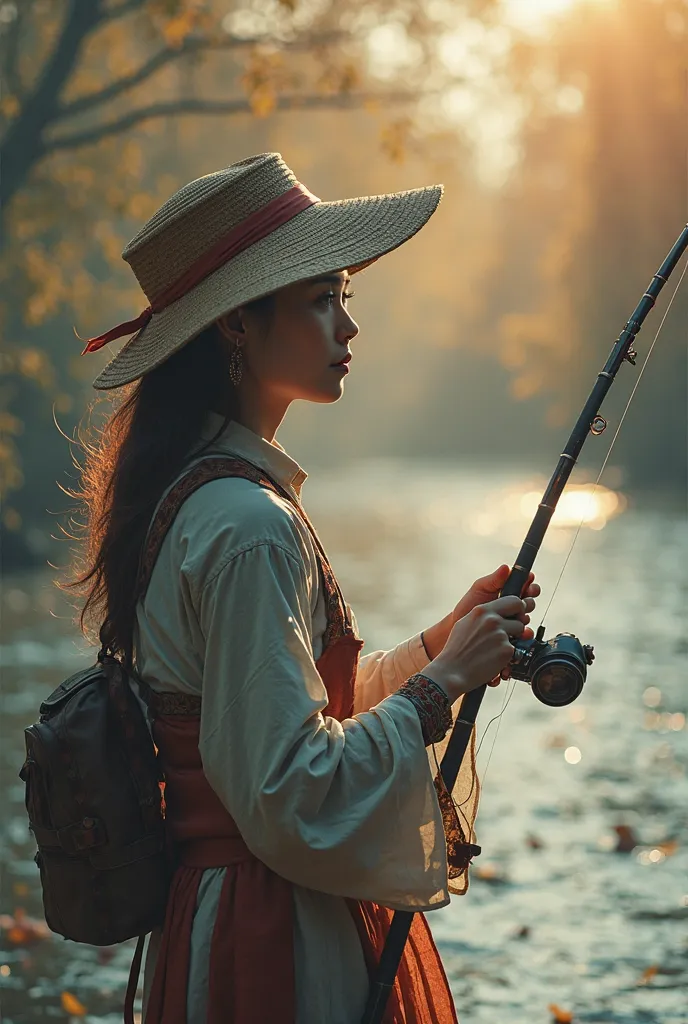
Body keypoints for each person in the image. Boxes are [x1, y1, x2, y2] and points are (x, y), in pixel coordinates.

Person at [70, 153, 539, 1023]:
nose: (348, 328)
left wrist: (443, 645)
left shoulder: (209, 500)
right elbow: (287, 786)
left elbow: (279, 721)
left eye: (344, 298)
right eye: (322, 299)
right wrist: (441, 690)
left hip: (230, 918)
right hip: (268, 942)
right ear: (237, 326)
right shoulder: (245, 525)